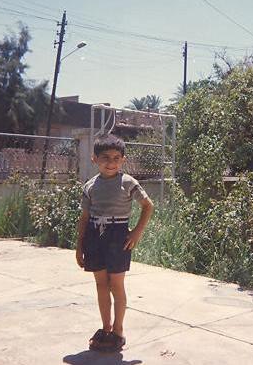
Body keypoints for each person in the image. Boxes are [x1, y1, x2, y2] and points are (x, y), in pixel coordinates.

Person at [76, 134, 154, 352]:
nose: (111, 162)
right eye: (105, 157)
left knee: (116, 285)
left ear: (123, 160)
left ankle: (118, 331)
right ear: (94, 159)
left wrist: (136, 232)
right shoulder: (90, 186)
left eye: (116, 158)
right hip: (94, 236)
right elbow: (84, 218)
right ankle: (106, 328)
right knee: (101, 284)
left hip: (118, 236)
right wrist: (79, 246)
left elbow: (148, 206)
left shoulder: (128, 182)